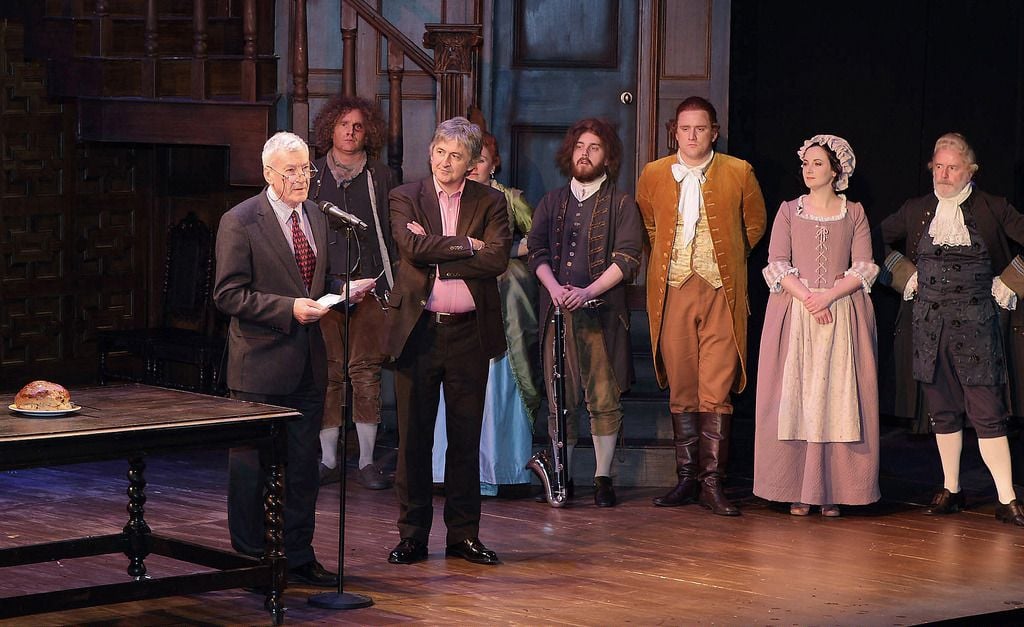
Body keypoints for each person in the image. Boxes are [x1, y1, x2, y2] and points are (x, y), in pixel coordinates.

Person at [213, 132, 371, 587]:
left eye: (306, 169)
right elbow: (228, 294)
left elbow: (313, 281)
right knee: (251, 470)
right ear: (268, 174)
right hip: (259, 366)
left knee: (304, 468)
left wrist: (345, 293)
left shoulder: (318, 216)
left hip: (308, 361)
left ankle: (298, 555)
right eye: (291, 171)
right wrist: (288, 309)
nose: (302, 178)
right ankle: (250, 560)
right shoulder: (240, 221)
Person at [880, 132, 1024, 527]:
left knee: (988, 413)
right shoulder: (916, 209)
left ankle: (1007, 498)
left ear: (970, 171)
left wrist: (1011, 280)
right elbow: (873, 240)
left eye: (953, 167)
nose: (944, 174)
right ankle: (952, 488)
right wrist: (902, 273)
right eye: (938, 166)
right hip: (930, 328)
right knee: (943, 412)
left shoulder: (993, 208)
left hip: (978, 326)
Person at [384, 117, 511, 565]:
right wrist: (467, 246)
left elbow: (497, 259)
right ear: (430, 152)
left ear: (474, 161)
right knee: (413, 440)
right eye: (439, 152)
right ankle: (413, 535)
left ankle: (463, 536)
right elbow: (411, 249)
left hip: (468, 335)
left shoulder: (492, 201)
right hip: (418, 332)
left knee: (464, 438)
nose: (445, 162)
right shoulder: (405, 197)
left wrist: (442, 250)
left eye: (456, 156)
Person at [636, 96, 766, 516]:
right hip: (675, 288)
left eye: (701, 128)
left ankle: (713, 482)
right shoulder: (654, 174)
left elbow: (754, 224)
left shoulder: (738, 171)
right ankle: (686, 478)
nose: (693, 136)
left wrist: (721, 256)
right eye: (686, 129)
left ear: (714, 131)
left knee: (717, 386)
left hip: (720, 291)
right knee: (683, 385)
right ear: (675, 131)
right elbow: (650, 224)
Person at [753, 134, 880, 517]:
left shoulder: (853, 212)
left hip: (841, 312)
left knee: (838, 399)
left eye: (817, 164)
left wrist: (828, 296)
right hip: (796, 314)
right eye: (806, 164)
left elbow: (864, 266)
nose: (809, 170)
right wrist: (809, 297)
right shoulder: (790, 210)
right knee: (798, 399)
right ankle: (797, 487)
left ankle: (832, 489)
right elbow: (776, 261)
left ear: (836, 169)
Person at [527, 118, 642, 508]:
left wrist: (587, 291)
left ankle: (602, 477)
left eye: (593, 147)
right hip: (555, 314)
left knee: (603, 397)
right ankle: (563, 477)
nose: (584, 153)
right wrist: (556, 290)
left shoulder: (622, 203)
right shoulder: (551, 201)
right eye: (579, 146)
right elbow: (537, 251)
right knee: (561, 399)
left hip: (601, 316)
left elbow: (627, 258)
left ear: (607, 156)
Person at [431, 132, 540, 494]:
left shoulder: (508, 199)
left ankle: (501, 469)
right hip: (457, 300)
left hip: (504, 301)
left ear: (493, 163)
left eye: (480, 159)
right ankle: (445, 471)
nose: (474, 165)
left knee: (498, 386)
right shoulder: (448, 200)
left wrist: (504, 251)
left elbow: (536, 239)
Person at [310, 95, 397, 490]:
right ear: (330, 128)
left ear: (368, 133)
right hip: (323, 289)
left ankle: (365, 462)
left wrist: (379, 284)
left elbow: (389, 237)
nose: (350, 131)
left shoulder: (380, 175)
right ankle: (326, 459)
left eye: (358, 126)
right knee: (329, 372)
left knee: (365, 372)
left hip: (368, 286)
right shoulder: (311, 175)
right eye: (343, 124)